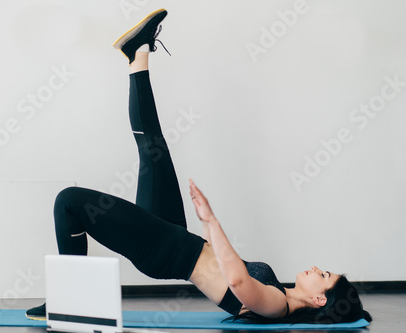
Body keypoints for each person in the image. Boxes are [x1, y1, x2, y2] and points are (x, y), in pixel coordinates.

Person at [26, 8, 372, 324]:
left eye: (324, 276)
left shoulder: (276, 306)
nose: (316, 269)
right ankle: (138, 52)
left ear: (317, 298)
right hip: (173, 234)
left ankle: (68, 297)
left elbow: (236, 280)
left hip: (163, 250)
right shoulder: (278, 293)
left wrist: (210, 221)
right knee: (153, 148)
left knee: (69, 201)